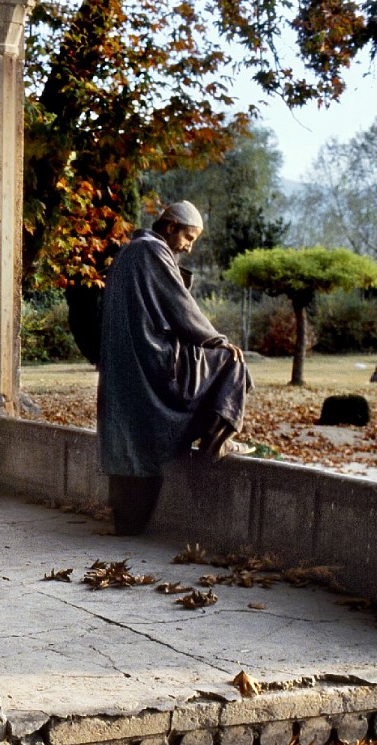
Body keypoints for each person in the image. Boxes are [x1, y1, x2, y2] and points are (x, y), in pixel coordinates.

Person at [98, 201, 252, 535]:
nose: (188, 246)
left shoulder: (129, 252)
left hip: (129, 365)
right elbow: (179, 306)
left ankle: (212, 437)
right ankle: (217, 439)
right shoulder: (152, 251)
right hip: (155, 360)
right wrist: (215, 340)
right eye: (188, 237)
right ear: (169, 227)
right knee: (233, 362)